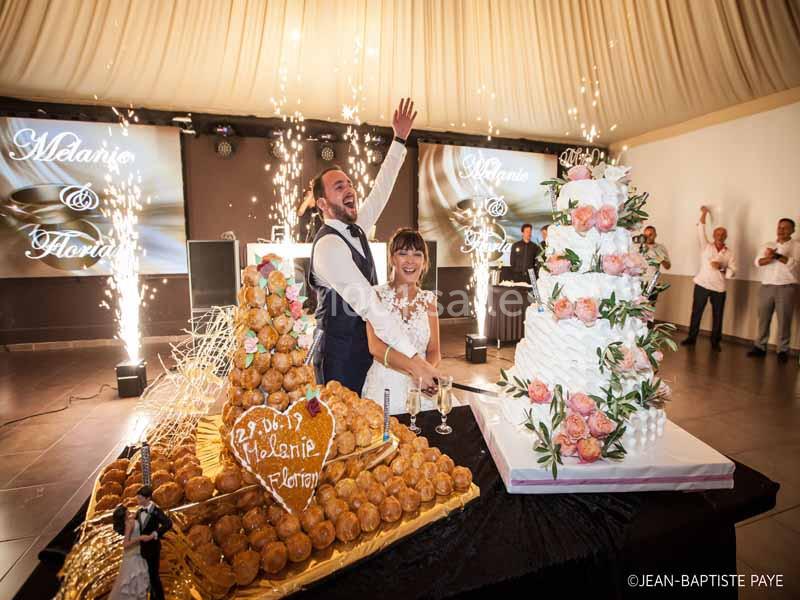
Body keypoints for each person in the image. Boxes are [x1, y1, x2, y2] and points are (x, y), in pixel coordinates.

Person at [309, 98, 439, 394]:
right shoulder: (329, 247)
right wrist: (414, 361)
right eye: (339, 187)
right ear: (322, 203)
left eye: (350, 184)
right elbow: (371, 305)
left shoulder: (355, 229)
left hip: (367, 352)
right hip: (338, 358)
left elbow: (381, 191)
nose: (350, 189)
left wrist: (399, 140)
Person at [362, 229, 441, 413]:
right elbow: (375, 348)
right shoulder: (376, 295)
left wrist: (425, 375)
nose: (410, 261)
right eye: (403, 253)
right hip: (384, 388)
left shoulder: (429, 300)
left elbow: (434, 350)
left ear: (424, 262)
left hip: (421, 389)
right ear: (391, 258)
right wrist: (415, 370)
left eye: (417, 254)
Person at [681, 206, 737, 351]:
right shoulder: (706, 246)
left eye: (723, 234)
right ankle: (691, 338)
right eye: (717, 234)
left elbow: (733, 272)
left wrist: (721, 267)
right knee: (696, 312)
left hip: (719, 288)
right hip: (702, 284)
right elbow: (700, 229)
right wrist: (704, 213)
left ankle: (715, 342)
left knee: (718, 315)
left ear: (726, 237)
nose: (720, 236)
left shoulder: (729, 253)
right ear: (713, 235)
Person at [747, 218, 799, 363]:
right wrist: (769, 258)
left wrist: (777, 256)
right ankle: (760, 347)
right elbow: (758, 262)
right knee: (763, 318)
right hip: (766, 286)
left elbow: (795, 266)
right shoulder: (768, 245)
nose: (781, 230)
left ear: (793, 230)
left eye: (785, 228)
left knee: (784, 320)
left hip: (786, 287)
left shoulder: (797, 247)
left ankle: (783, 350)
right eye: (779, 227)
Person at [135, 485, 172, 600]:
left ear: (147, 498)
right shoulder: (139, 511)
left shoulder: (156, 511)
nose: (138, 500)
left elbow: (168, 523)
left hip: (153, 548)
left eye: (140, 498)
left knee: (154, 575)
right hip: (142, 548)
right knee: (147, 574)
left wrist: (154, 534)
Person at [108, 506, 151, 600]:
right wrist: (140, 538)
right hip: (133, 555)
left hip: (138, 552)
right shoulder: (128, 524)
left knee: (139, 578)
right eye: (126, 510)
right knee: (134, 579)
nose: (128, 510)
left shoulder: (131, 519)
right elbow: (125, 544)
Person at [641, 225, 671, 302]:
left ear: (655, 235)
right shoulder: (639, 247)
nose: (648, 237)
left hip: (652, 284)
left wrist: (660, 258)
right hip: (639, 283)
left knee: (649, 308)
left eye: (650, 235)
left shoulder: (660, 248)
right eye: (646, 235)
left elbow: (668, 266)